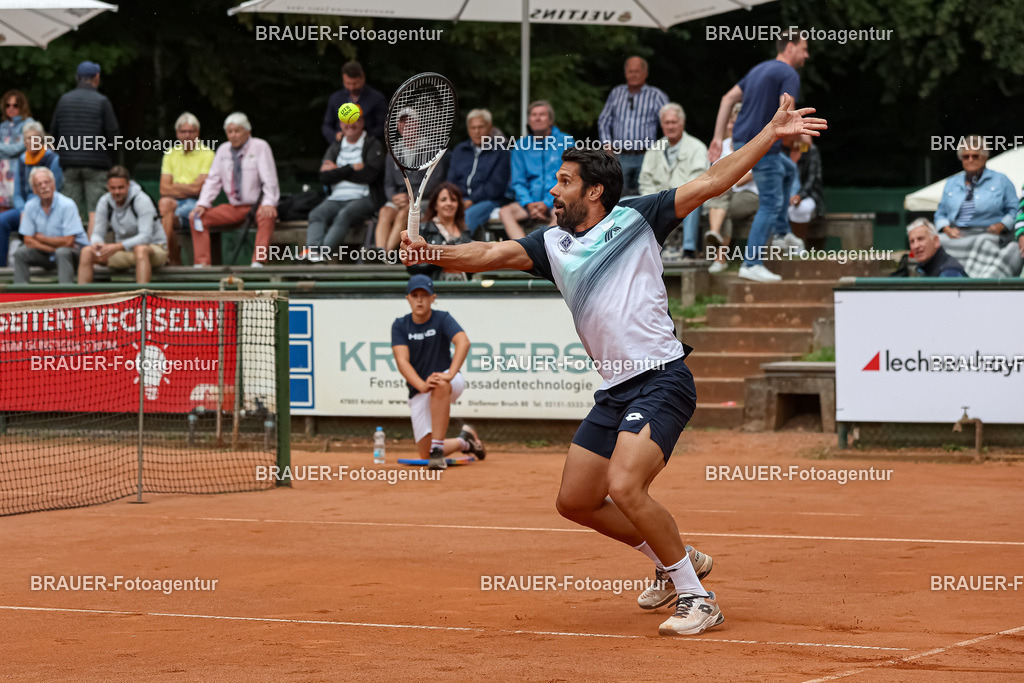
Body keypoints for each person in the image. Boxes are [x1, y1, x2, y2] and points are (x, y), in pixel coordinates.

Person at [402, 96, 825, 636]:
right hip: (616, 390)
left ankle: (699, 599)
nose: (552, 190)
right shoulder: (550, 244)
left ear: (593, 190)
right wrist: (432, 253)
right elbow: (488, 255)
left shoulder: (638, 218)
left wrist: (769, 133)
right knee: (575, 501)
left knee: (626, 486)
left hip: (662, 380)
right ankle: (678, 559)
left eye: (563, 181)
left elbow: (714, 180)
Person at [710, 29, 808, 282]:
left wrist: (718, 138)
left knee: (788, 170)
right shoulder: (788, 73)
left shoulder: (758, 69)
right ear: (789, 47)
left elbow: (726, 98)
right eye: (804, 49)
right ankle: (751, 263)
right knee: (770, 203)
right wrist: (801, 136)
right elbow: (786, 113)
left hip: (744, 140)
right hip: (764, 144)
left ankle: (781, 233)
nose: (806, 55)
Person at [391, 274, 487, 470]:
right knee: (423, 453)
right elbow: (402, 361)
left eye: (424, 295)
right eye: (415, 295)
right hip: (420, 389)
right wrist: (421, 385)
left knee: (440, 383)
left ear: (433, 298)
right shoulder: (400, 325)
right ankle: (465, 442)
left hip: (449, 381)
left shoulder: (442, 317)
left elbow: (463, 341)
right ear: (408, 298)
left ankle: (437, 451)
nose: (419, 300)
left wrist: (451, 374)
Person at [190, 112, 279, 267]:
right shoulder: (223, 150)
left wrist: (269, 202)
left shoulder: (260, 146)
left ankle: (258, 261)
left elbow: (269, 179)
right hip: (234, 207)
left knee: (267, 214)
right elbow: (213, 181)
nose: (233, 135)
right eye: (229, 132)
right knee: (197, 217)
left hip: (256, 205)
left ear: (247, 132)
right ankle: (202, 263)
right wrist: (202, 204)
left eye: (237, 131)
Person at [933, 136, 1021, 277]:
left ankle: (978, 280)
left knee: (984, 242)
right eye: (966, 156)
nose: (970, 160)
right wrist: (946, 228)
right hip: (957, 235)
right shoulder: (951, 182)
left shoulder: (1001, 180)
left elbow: (1015, 209)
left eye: (975, 156)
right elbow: (940, 213)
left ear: (985, 158)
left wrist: (1002, 225)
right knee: (934, 241)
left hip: (989, 234)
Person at [49, 61, 120, 235]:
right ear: (96, 77)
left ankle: (70, 250)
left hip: (69, 164)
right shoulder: (102, 101)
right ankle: (92, 254)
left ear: (77, 78)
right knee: (96, 210)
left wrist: (64, 153)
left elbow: (54, 132)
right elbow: (113, 134)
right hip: (96, 164)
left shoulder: (64, 100)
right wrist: (111, 157)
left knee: (69, 209)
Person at [306, 111, 384, 259]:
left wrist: (336, 170)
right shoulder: (336, 146)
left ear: (361, 122)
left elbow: (370, 175)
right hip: (336, 198)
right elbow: (324, 176)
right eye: (345, 121)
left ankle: (323, 254)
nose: (350, 125)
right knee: (316, 214)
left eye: (354, 120)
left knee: (344, 215)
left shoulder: (372, 144)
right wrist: (351, 167)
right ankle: (312, 252)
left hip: (363, 197)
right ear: (340, 125)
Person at [638, 103, 707, 262]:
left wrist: (677, 196)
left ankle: (688, 251)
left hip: (687, 196)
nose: (670, 126)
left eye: (674, 122)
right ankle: (644, 255)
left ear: (682, 123)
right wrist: (653, 200)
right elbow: (645, 181)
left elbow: (698, 179)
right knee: (625, 203)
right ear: (662, 125)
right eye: (667, 123)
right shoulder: (654, 149)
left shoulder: (697, 147)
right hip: (658, 200)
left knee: (692, 204)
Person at [79, 166, 168, 284]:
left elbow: (145, 237)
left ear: (128, 185)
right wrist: (98, 245)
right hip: (124, 252)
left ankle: (141, 298)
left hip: (154, 248)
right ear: (107, 187)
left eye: (121, 188)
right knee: (87, 252)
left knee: (140, 249)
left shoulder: (142, 200)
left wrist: (116, 247)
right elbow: (97, 233)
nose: (117, 192)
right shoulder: (104, 201)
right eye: (113, 188)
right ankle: (82, 300)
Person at [375, 109, 448, 253]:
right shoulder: (392, 152)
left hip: (422, 199)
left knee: (405, 213)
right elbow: (388, 184)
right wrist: (394, 198)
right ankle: (379, 250)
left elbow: (434, 182)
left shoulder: (432, 150)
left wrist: (412, 197)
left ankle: (387, 253)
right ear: (397, 126)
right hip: (400, 199)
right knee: (385, 211)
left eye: (410, 121)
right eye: (402, 121)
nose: (406, 125)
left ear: (418, 124)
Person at [499, 101, 574, 240]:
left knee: (564, 212)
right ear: (529, 120)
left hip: (556, 200)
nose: (537, 118)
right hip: (528, 204)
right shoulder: (521, 146)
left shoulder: (566, 142)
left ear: (550, 119)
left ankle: (544, 248)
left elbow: (568, 180)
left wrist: (546, 203)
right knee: (505, 212)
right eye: (534, 115)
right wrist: (529, 204)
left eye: (542, 114)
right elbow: (518, 182)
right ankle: (522, 249)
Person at [598, 57, 669, 196]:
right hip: (619, 156)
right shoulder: (616, 93)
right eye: (630, 71)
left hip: (647, 155)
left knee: (646, 196)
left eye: (637, 71)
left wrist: (663, 147)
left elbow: (670, 122)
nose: (633, 75)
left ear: (645, 73)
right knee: (616, 196)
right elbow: (604, 120)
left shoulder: (656, 95)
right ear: (625, 73)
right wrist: (607, 145)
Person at [704, 103, 758, 273]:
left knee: (723, 207)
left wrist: (728, 183)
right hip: (724, 193)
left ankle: (719, 254)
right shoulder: (722, 145)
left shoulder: (755, 144)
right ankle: (715, 236)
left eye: (736, 122)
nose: (732, 126)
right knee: (722, 201)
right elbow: (713, 171)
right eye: (730, 122)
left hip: (751, 194)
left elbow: (750, 175)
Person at [0, 121, 62, 267]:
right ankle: (2, 269)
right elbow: (17, 193)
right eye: (27, 138)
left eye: (34, 138)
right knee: (2, 221)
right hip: (25, 208)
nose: (31, 142)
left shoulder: (52, 159)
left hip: (45, 207)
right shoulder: (22, 160)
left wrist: (31, 209)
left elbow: (54, 190)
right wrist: (24, 210)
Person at [13, 167, 89, 284]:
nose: (44, 186)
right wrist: (52, 248)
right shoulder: (30, 206)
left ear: (53, 184)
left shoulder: (67, 205)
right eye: (39, 184)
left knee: (62, 252)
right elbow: (28, 240)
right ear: (34, 190)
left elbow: (69, 242)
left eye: (46, 182)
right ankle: (21, 297)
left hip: (74, 255)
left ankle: (66, 296)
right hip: (46, 253)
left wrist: (41, 238)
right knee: (20, 253)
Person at [158, 112, 215, 265]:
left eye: (191, 131)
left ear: (198, 133)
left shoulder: (207, 154)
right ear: (177, 134)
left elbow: (199, 189)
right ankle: (170, 257)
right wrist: (188, 186)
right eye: (183, 131)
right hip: (173, 203)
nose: (187, 135)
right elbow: (163, 189)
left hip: (196, 203)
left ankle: (169, 259)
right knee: (165, 204)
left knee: (167, 217)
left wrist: (175, 186)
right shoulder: (170, 153)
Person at [446, 109, 510, 236]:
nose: (476, 131)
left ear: (490, 127)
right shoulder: (460, 150)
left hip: (488, 200)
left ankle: (456, 250)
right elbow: (451, 180)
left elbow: (496, 186)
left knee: (467, 218)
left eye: (481, 127)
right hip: (459, 199)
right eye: (472, 127)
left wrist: (472, 199)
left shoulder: (500, 151)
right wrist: (456, 199)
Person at [409, 182, 472, 280]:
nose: (449, 203)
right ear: (435, 205)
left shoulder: (466, 231)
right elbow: (412, 265)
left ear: (458, 205)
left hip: (462, 287)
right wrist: (443, 259)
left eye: (453, 200)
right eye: (443, 200)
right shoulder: (423, 230)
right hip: (433, 287)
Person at [322, 60, 387, 144]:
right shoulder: (335, 98)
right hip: (340, 146)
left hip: (368, 147)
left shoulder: (377, 98)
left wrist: (365, 137)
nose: (351, 87)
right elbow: (327, 125)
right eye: (347, 83)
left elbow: (383, 126)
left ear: (363, 78)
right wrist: (335, 136)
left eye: (355, 84)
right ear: (343, 79)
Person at [1, 90, 34, 214]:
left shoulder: (28, 124)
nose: (11, 108)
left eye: (15, 105)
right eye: (7, 105)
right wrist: (9, 150)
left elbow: (18, 148)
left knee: (19, 206)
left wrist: (6, 150)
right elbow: (12, 149)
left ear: (22, 106)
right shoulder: (3, 126)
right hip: (2, 173)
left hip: (18, 172)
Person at [787, 137, 823, 232]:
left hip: (807, 195)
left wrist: (799, 196)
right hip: (782, 197)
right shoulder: (778, 150)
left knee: (799, 209)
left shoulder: (809, 149)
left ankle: (798, 245)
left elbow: (812, 179)